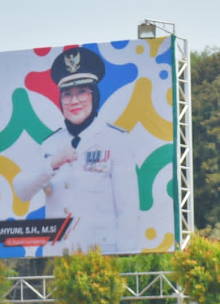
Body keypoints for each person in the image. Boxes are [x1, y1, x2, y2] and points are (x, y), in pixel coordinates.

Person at [15, 46, 140, 255]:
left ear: (94, 96)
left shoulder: (115, 140)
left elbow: (127, 210)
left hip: (100, 255)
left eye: (82, 92)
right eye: (67, 94)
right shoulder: (50, 145)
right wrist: (53, 162)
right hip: (58, 256)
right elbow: (21, 190)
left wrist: (125, 259)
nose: (74, 101)